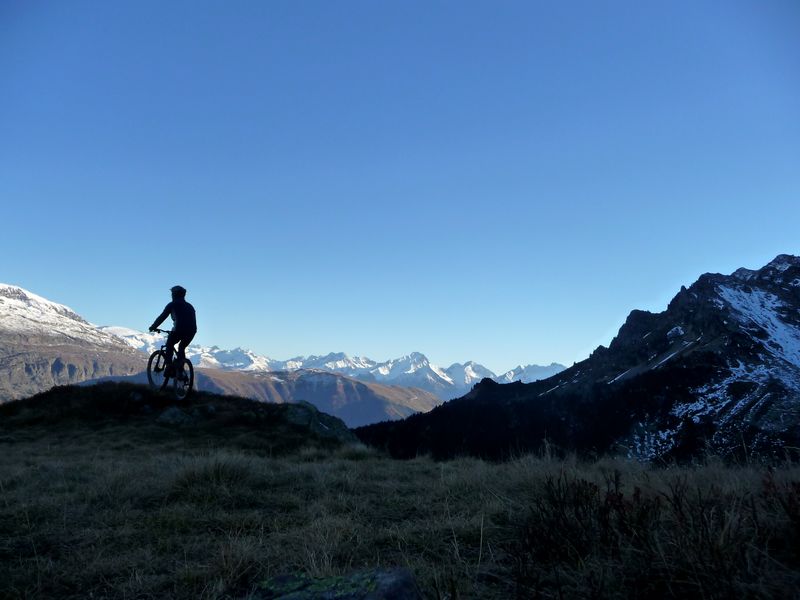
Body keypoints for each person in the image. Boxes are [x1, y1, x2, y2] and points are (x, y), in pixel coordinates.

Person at [149, 285, 197, 378]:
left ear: (174, 294)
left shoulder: (172, 304)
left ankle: (169, 367)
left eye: (172, 293)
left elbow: (162, 317)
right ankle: (180, 369)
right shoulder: (190, 306)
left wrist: (153, 327)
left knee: (170, 345)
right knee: (182, 347)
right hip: (192, 331)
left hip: (179, 329)